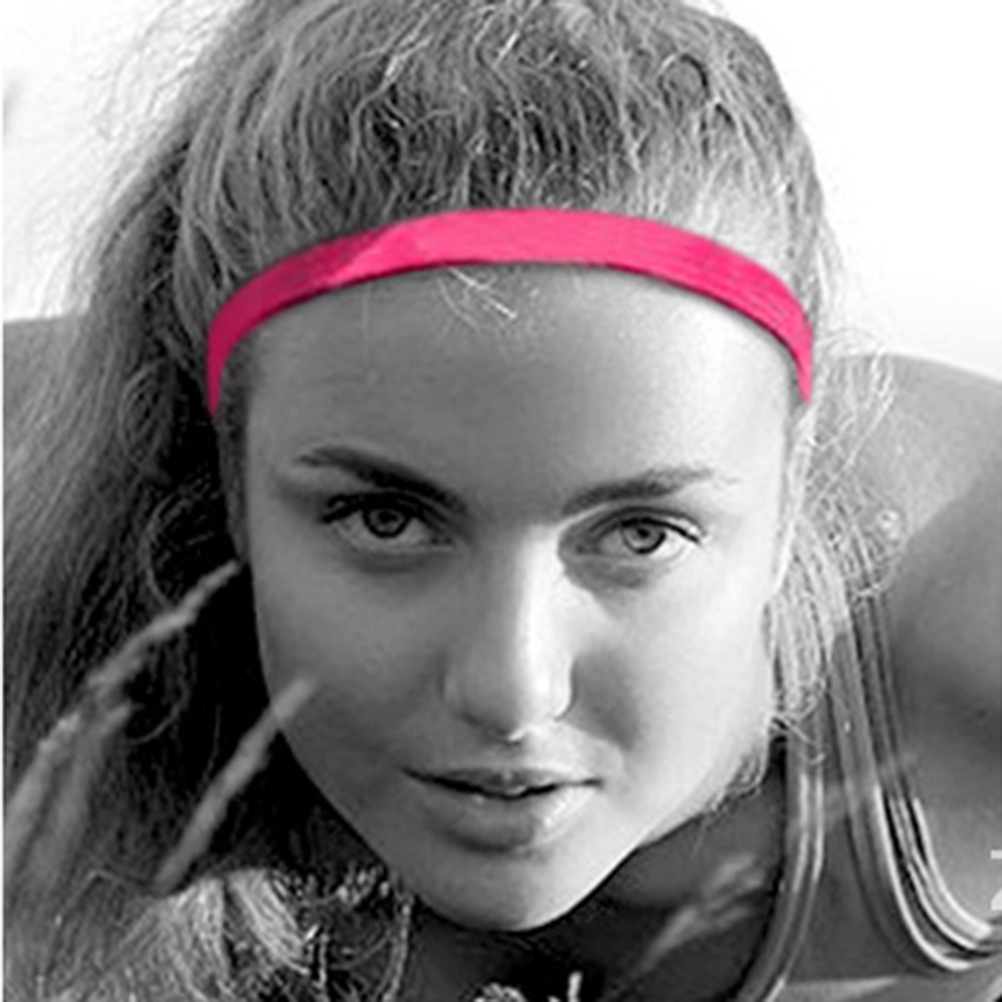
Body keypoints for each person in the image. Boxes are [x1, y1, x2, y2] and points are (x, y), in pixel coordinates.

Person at [4, 1, 1001, 999]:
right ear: (227, 470)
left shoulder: (971, 603)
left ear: (792, 486)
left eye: (642, 533)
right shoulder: (43, 524)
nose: (514, 692)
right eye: (387, 519)